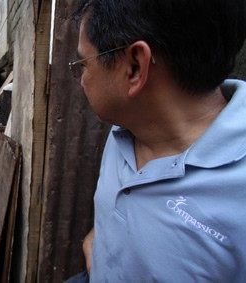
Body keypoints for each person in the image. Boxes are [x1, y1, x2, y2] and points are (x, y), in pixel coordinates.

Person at [66, 0, 246, 282]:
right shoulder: (126, 128)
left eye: (83, 65)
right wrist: (100, 240)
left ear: (135, 67)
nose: (82, 80)